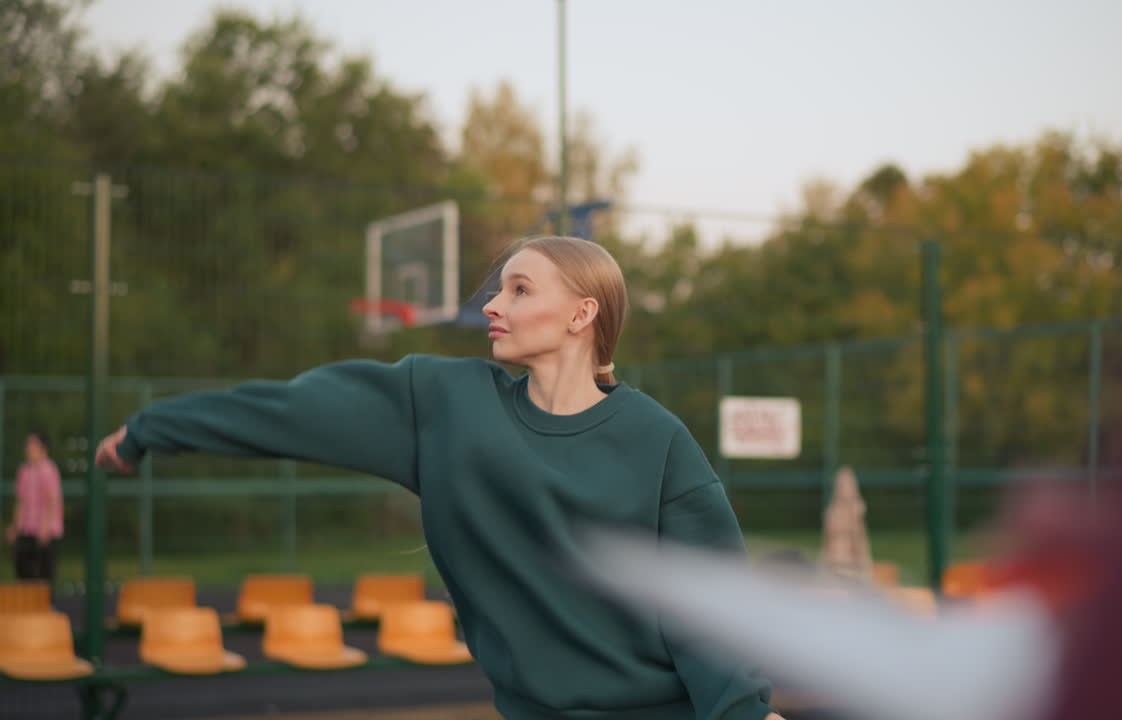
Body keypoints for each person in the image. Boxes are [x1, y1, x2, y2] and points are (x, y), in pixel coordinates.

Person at [95, 235, 782, 720]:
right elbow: (291, 411)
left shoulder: (656, 441)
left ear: (581, 314)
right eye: (497, 288)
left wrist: (745, 715)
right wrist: (154, 428)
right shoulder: (446, 405)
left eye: (519, 289)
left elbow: (709, 608)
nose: (493, 304)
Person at [5, 430, 64, 583]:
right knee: (23, 571)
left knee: (45, 574)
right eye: (28, 444)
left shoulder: (49, 469)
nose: (28, 448)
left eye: (32, 444)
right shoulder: (24, 471)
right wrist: (16, 527)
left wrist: (44, 527)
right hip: (27, 529)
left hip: (46, 532)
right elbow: (21, 501)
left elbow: (51, 500)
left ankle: (47, 604)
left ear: (43, 448)